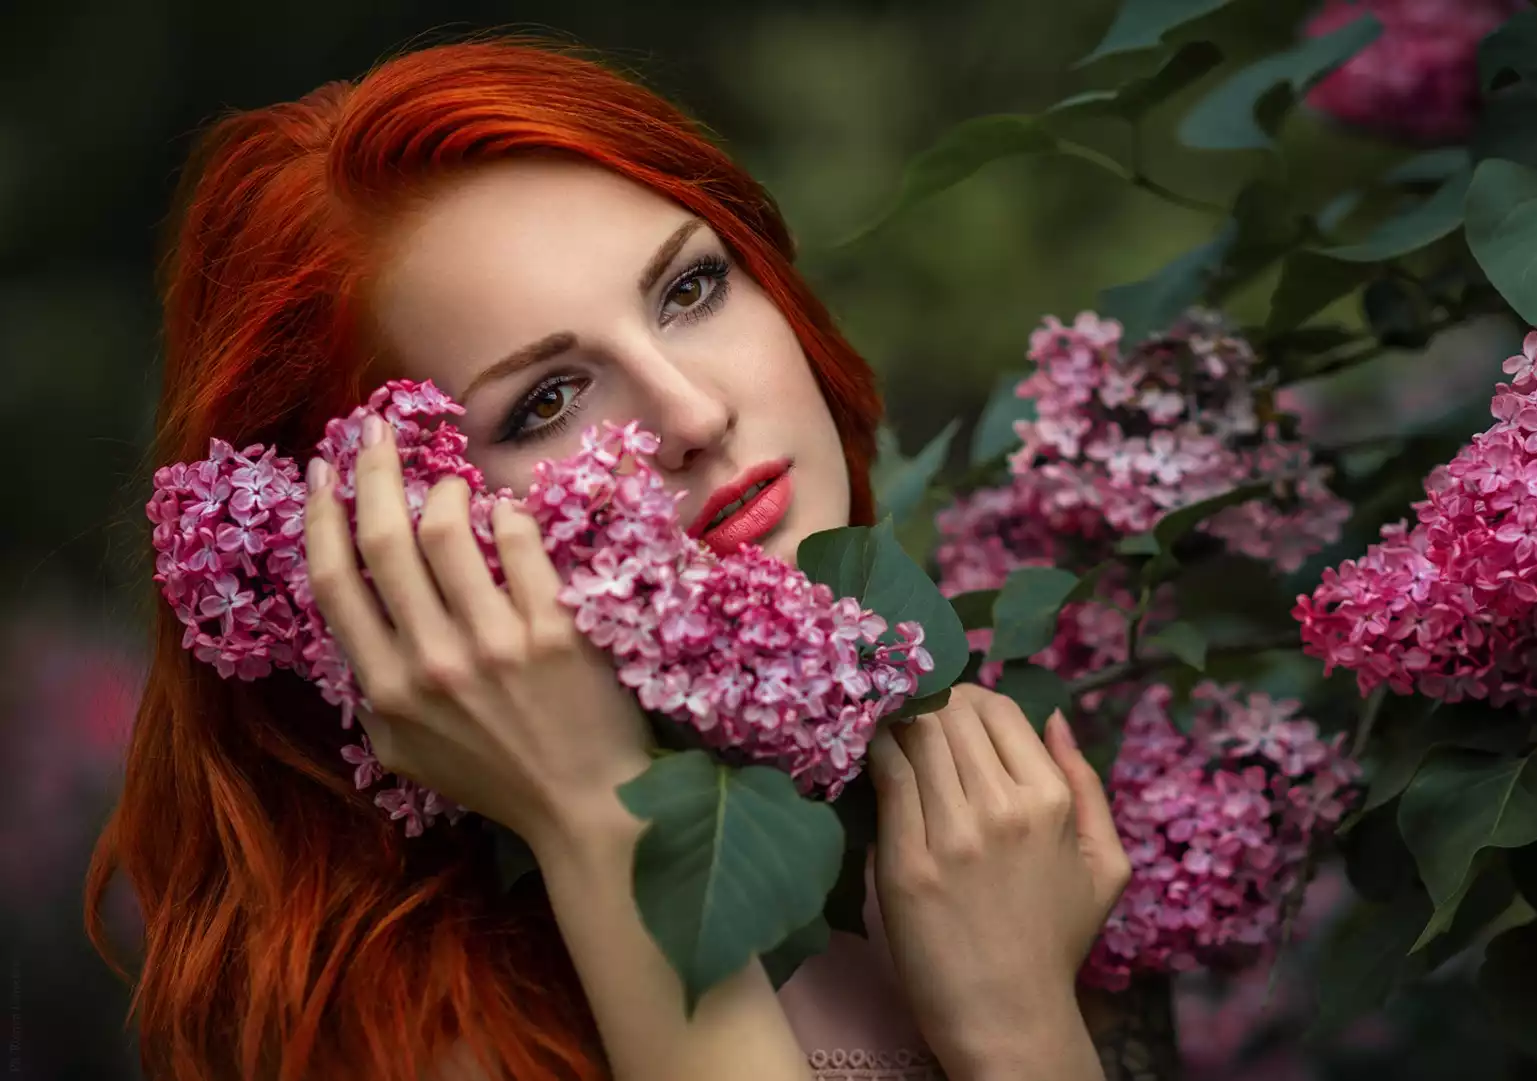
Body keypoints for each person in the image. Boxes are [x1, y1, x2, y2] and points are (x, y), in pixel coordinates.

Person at [84, 34, 1178, 1081]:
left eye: (690, 289)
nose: (694, 411)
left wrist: (1032, 1015)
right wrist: (592, 810)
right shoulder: (410, 1023)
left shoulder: (1018, 837)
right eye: (547, 400)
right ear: (378, 539)